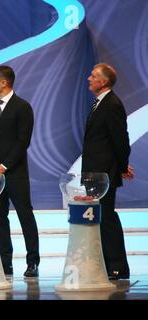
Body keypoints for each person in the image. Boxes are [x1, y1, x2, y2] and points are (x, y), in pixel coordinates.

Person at [0, 65, 40, 277]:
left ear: (4, 82)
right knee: (0, 218)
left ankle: (33, 262)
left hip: (15, 173)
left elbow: (23, 141)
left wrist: (4, 166)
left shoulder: (23, 107)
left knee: (25, 215)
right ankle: (5, 262)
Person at [82, 63, 134, 280]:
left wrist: (122, 166)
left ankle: (117, 266)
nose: (89, 78)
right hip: (95, 171)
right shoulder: (99, 103)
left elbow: (120, 139)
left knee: (107, 217)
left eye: (93, 76)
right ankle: (107, 263)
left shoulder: (112, 104)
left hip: (104, 172)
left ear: (103, 82)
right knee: (102, 217)